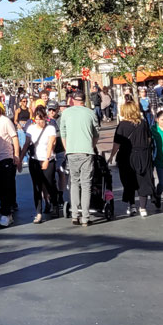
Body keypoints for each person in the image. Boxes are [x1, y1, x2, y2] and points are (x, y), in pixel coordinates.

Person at [60, 91, 99, 226]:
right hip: (86, 151)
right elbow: (96, 134)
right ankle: (85, 217)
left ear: (72, 100)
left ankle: (75, 214)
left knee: (74, 183)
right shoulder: (91, 113)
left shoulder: (66, 113)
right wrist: (91, 146)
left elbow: (63, 133)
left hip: (72, 151)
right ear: (84, 100)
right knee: (86, 184)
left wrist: (67, 149)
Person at [109, 102, 155, 217]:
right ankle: (143, 208)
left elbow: (117, 143)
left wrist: (111, 156)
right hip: (143, 155)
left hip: (127, 156)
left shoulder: (122, 125)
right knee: (143, 180)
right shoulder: (143, 123)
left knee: (128, 182)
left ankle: (132, 205)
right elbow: (149, 139)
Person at [23, 107, 59, 223]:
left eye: (41, 119)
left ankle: (54, 205)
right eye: (36, 119)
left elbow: (50, 145)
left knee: (49, 184)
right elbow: (27, 144)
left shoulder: (51, 129)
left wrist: (47, 159)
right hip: (34, 160)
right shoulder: (31, 128)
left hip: (47, 159)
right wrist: (19, 158)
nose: (39, 122)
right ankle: (38, 212)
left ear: (45, 118)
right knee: (37, 186)